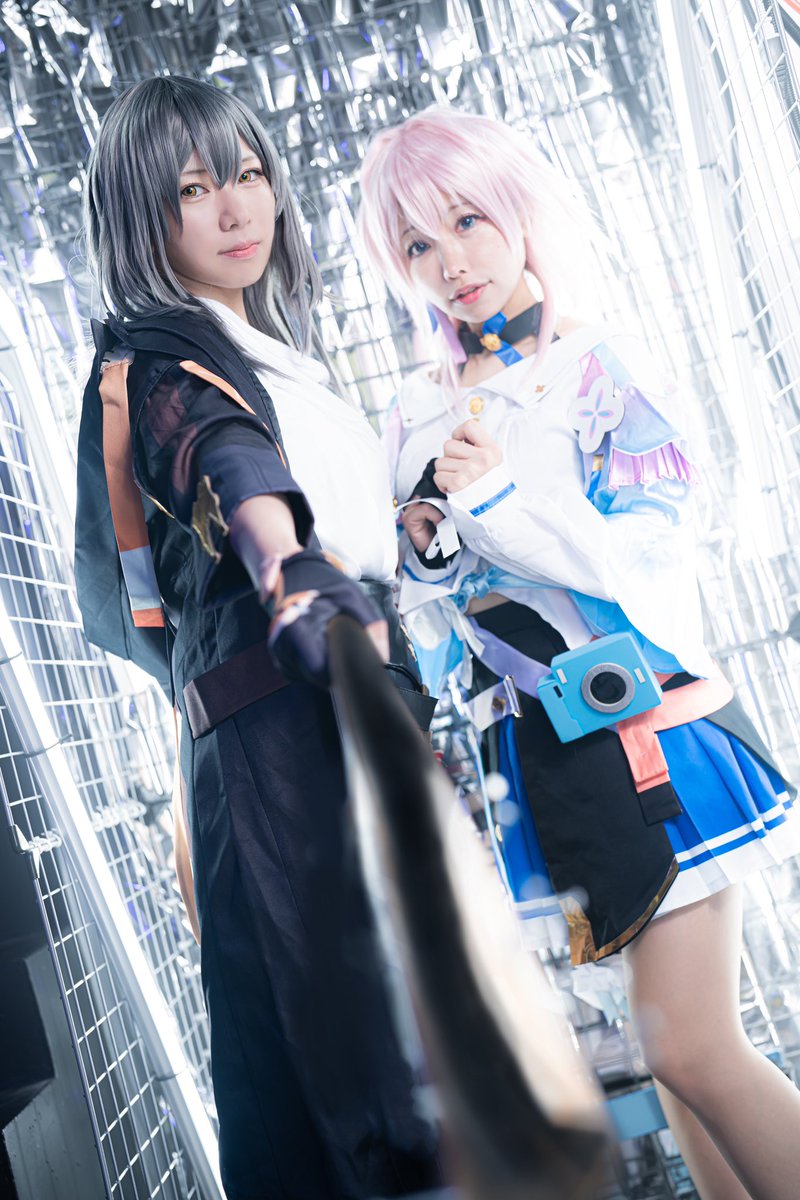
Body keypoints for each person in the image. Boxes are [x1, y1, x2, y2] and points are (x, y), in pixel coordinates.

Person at [357, 104, 800, 1200]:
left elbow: (654, 560)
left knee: (695, 1048)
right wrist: (424, 552)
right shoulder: (412, 410)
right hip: (534, 760)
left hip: (643, 732)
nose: (451, 261)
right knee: (668, 1053)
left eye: (468, 220)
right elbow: (431, 631)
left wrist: (499, 499)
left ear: (516, 211)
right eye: (418, 241)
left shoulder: (598, 366)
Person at [74, 75, 441, 1200]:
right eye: (194, 189)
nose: (237, 209)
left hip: (346, 716)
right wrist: (290, 569)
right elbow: (224, 462)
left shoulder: (267, 352)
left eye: (248, 174)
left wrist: (408, 522)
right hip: (281, 739)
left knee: (413, 1053)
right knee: (348, 1088)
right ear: (141, 215)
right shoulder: (157, 363)